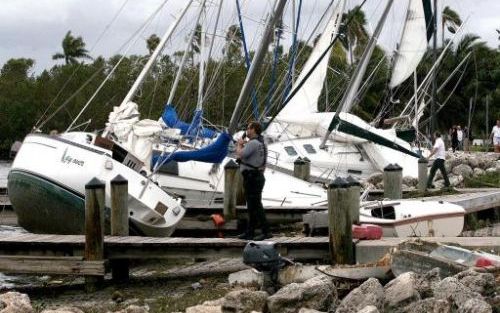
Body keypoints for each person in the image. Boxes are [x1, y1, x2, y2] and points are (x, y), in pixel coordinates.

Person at [236, 121, 271, 240]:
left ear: (253, 130)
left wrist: (240, 144)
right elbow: (263, 160)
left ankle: (266, 231)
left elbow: (241, 154)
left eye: (248, 128)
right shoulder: (261, 143)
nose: (247, 130)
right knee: (252, 206)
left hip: (252, 178)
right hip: (257, 176)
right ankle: (250, 232)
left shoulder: (253, 143)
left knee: (255, 206)